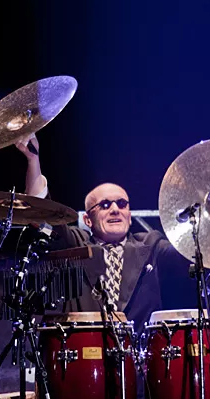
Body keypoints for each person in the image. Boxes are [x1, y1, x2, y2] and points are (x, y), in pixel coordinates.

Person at [15, 133, 194, 333]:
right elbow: (42, 214)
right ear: (88, 220)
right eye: (105, 205)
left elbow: (187, 249)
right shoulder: (76, 243)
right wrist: (33, 160)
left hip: (141, 348)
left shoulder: (151, 244)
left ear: (129, 215)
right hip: (86, 347)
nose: (115, 210)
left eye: (122, 204)